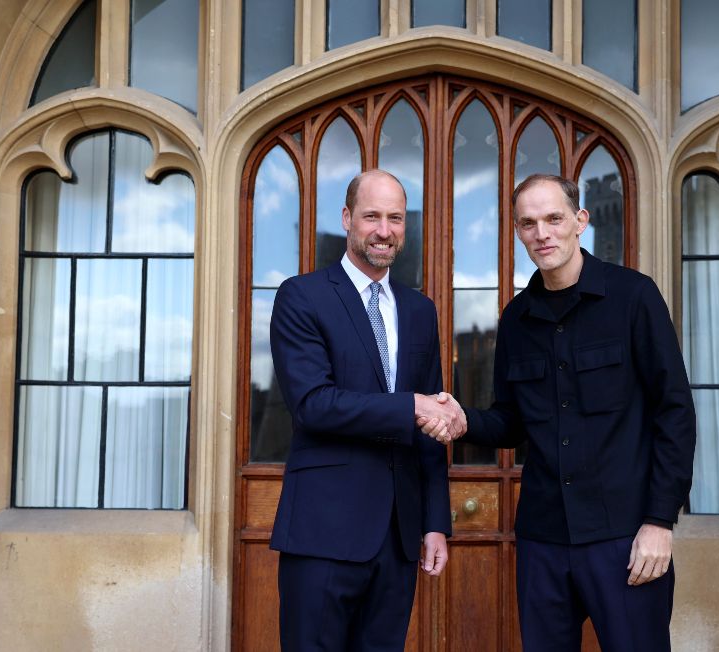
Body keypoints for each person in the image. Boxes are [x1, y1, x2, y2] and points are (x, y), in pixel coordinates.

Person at [423, 174, 696, 651]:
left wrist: (659, 522)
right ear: (516, 231)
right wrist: (464, 419)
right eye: (528, 223)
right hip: (543, 540)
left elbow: (674, 412)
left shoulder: (634, 297)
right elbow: (511, 422)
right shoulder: (516, 318)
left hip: (627, 535)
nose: (542, 233)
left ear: (580, 221)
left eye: (553, 218)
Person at [269, 169, 466, 652]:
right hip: (323, 534)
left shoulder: (420, 311)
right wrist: (410, 405)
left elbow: (430, 426)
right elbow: (314, 405)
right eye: (371, 216)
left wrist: (435, 521)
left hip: (398, 540)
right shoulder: (302, 295)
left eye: (395, 218)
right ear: (347, 219)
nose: (384, 230)